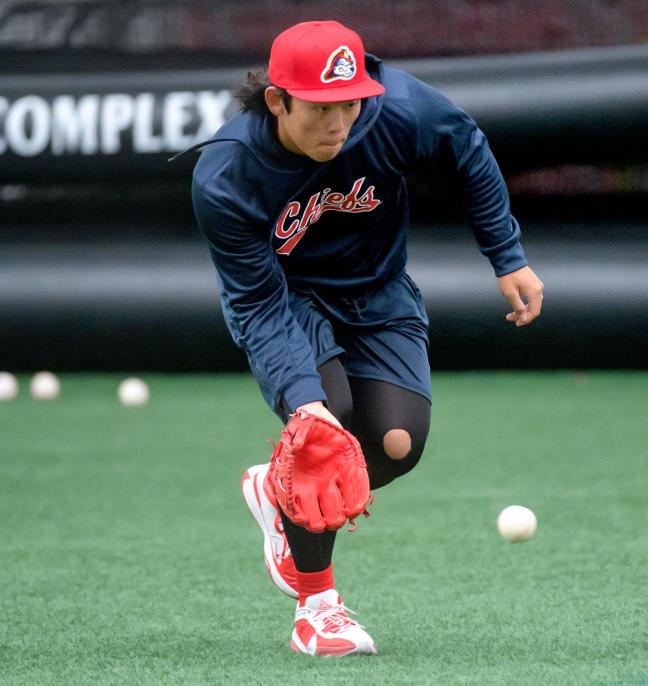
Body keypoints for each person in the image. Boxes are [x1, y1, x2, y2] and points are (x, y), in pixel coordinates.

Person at [190, 19, 543, 656]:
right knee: (330, 424)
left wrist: (507, 255)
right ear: (277, 100)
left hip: (377, 291)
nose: (339, 122)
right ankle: (317, 610)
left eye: (350, 103)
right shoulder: (228, 173)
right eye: (321, 108)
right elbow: (260, 303)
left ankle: (276, 491)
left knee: (398, 443)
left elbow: (466, 146)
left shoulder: (398, 110)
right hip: (286, 297)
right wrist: (307, 401)